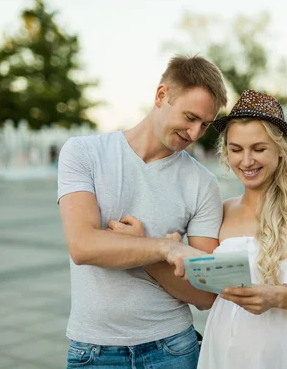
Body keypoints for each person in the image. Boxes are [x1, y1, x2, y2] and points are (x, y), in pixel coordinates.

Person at [57, 54, 228, 369]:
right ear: (162, 96)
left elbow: (206, 296)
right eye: (190, 117)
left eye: (204, 124)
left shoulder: (203, 183)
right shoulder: (83, 153)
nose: (194, 134)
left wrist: (150, 253)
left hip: (173, 348)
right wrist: (166, 247)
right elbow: (83, 246)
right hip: (93, 350)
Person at [198, 89, 287, 369]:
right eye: (236, 149)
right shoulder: (223, 209)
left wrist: (278, 296)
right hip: (228, 351)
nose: (246, 161)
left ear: (280, 150)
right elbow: (206, 294)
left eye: (259, 148)